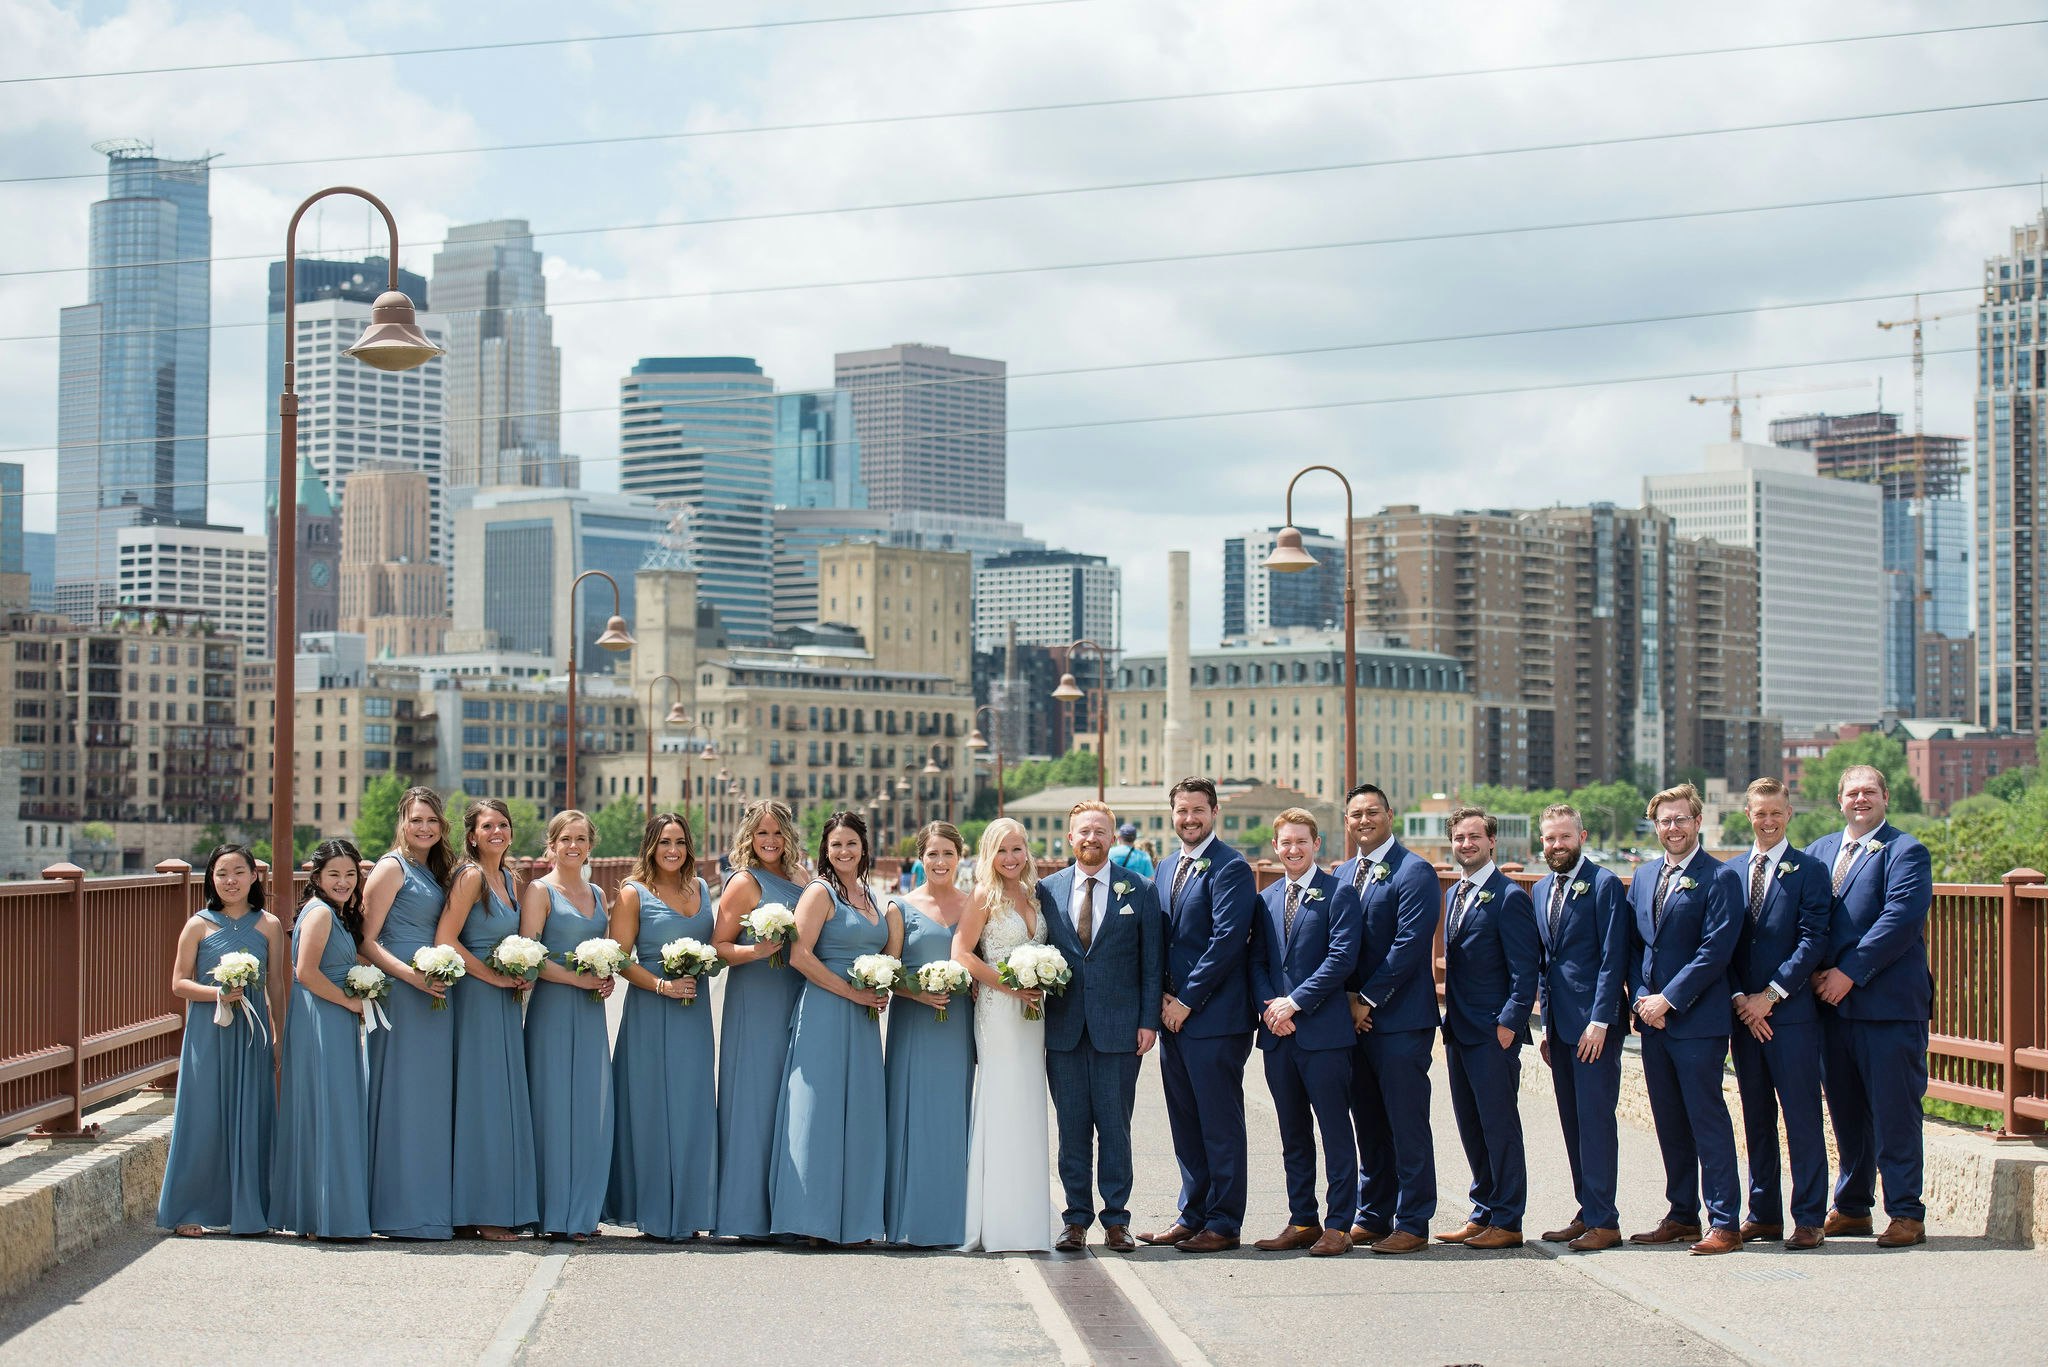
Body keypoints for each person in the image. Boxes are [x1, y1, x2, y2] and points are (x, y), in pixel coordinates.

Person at [1806, 763, 1934, 1249]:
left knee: (1895, 1111)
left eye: (1869, 792)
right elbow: (1804, 917)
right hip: (1829, 1009)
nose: (1860, 799)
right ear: (1839, 800)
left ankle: (1905, 1212)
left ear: (1885, 798)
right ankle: (1854, 1207)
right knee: (1846, 1111)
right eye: (1852, 793)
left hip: (1887, 1007)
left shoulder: (1906, 851)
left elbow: (1898, 921)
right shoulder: (1818, 852)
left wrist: (1848, 973)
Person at [769, 811, 902, 1244]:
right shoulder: (819, 892)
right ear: (826, 850)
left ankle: (858, 1221)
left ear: (864, 847)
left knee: (861, 1112)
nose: (843, 851)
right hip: (826, 1008)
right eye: (835, 845)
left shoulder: (871, 894)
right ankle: (813, 1220)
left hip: (863, 1017)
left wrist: (881, 983)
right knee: (818, 1111)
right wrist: (851, 992)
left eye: (851, 843)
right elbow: (800, 956)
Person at [1037, 801, 1163, 1252]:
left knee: (1115, 1128)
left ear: (1113, 838)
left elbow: (1153, 963)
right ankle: (1075, 1219)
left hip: (1120, 1030)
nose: (1091, 839)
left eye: (1099, 832)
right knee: (1071, 1130)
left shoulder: (1140, 889)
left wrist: (1149, 1021)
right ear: (1070, 838)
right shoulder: (1045, 891)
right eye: (1083, 832)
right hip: (1063, 1031)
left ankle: (1116, 1220)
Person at [1626, 783, 1745, 1256]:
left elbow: (1715, 951)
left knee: (1706, 1119)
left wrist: (1669, 1000)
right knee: (1669, 1121)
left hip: (1697, 1021)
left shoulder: (1720, 878)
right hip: (1652, 1023)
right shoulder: (1643, 876)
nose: (1672, 828)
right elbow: (1635, 947)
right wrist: (1640, 999)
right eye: (1664, 821)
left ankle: (1725, 1222)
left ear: (1697, 823)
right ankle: (1680, 1216)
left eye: (1680, 820)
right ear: (1654, 827)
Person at [1143, 777, 1256, 1254]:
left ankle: (1225, 1222)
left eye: (1198, 811)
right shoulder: (1166, 866)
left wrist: (1186, 999)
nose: (1189, 819)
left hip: (1214, 1018)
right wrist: (1162, 1003)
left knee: (1219, 1123)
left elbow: (1227, 941)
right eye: (1182, 811)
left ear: (1214, 814)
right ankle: (1192, 1213)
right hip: (1174, 1018)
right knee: (1185, 1122)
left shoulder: (1232, 868)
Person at [158, 844, 287, 1236]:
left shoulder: (269, 925)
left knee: (254, 1116)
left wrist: (281, 1035)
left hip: (253, 1037)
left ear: (253, 876)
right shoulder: (198, 924)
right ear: (210, 878)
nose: (230, 880)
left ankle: (251, 1210)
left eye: (238, 872)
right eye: (221, 873)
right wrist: (216, 993)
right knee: (203, 1117)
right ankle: (190, 1209)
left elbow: (276, 984)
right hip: (208, 1034)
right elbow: (179, 983)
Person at [1248, 809, 1360, 1257]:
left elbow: (1341, 959)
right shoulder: (1266, 898)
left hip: (1324, 1035)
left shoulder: (1339, 894)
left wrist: (1294, 1003)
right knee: (1292, 1134)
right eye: (1285, 843)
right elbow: (1256, 962)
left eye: (1301, 841)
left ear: (1317, 844)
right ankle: (1301, 1220)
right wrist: (1270, 1008)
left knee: (1335, 1131)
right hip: (1278, 1035)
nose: (1292, 849)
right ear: (1275, 847)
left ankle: (1339, 1224)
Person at [1334, 783, 1439, 1256]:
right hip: (1353, 1023)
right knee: (1369, 1123)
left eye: (1372, 812)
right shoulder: (1343, 873)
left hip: (1398, 1022)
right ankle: (1373, 1213)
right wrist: (1346, 1004)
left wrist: (1367, 1000)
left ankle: (1414, 1220)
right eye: (1355, 814)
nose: (1363, 820)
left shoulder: (1414, 871)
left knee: (1406, 1122)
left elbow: (1409, 945)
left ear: (1390, 815)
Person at [1729, 778, 1832, 1250]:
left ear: (1789, 814)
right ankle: (1763, 1212)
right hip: (1743, 1019)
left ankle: (1809, 1216)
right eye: (1759, 813)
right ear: (1746, 814)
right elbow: (1720, 946)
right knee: (1755, 1117)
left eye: (1776, 812)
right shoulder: (1729, 872)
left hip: (1788, 1018)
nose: (1767, 821)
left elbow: (1813, 941)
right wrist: (1740, 1001)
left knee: (1802, 1117)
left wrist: (1769, 997)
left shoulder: (1809, 870)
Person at [607, 811, 718, 1241]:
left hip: (694, 1011)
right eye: (664, 842)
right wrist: (661, 985)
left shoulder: (703, 889)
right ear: (650, 846)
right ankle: (653, 1213)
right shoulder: (634, 893)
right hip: (652, 1010)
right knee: (651, 1107)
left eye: (680, 842)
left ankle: (690, 1211)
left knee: (692, 1106)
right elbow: (618, 958)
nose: (673, 850)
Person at [1434, 807, 1540, 1251]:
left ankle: (1508, 1219)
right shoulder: (1456, 894)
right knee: (1471, 1127)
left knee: (1499, 1128)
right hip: (1459, 1030)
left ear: (1492, 841)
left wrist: (1508, 1025)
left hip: (1492, 1035)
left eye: (1474, 837)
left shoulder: (1509, 896)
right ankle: (1482, 1211)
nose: (1466, 844)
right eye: (1459, 838)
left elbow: (1525, 968)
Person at [1529, 804, 1630, 1252]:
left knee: (1595, 1122)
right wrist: (1547, 1026)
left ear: (1582, 837)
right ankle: (1586, 1210)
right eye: (1549, 839)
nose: (1556, 846)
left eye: (1564, 838)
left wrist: (1600, 1021)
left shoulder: (1604, 884)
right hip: (1561, 1028)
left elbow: (1613, 959)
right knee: (1572, 1123)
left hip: (1594, 1028)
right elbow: (1545, 964)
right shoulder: (1540, 890)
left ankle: (1605, 1220)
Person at [435, 797, 537, 1242]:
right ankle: (479, 1210)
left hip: (503, 998)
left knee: (501, 1099)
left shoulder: (511, 879)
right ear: (471, 836)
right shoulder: (471, 876)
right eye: (486, 826)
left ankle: (497, 1202)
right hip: (477, 997)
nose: (496, 832)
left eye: (503, 825)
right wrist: (492, 978)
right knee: (481, 1099)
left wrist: (520, 971)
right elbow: (446, 939)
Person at [360, 787, 458, 1240]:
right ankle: (396, 1208)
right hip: (403, 990)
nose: (425, 828)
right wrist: (411, 977)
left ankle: (430, 1206)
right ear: (402, 821)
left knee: (431, 1097)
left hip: (435, 988)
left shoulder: (433, 870)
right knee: (402, 1092)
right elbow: (367, 940)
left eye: (432, 821)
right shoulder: (390, 867)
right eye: (417, 820)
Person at [955, 816, 1055, 1252]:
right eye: (1002, 850)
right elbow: (960, 952)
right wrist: (1006, 983)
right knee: (1002, 1100)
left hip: (1034, 1015)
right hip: (998, 1012)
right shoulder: (984, 896)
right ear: (989, 854)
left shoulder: (1034, 894)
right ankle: (995, 1221)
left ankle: (1027, 1221)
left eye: (1018, 849)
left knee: (1029, 1103)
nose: (1011, 858)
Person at [711, 800, 809, 1239]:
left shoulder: (804, 879)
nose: (769, 841)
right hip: (755, 1000)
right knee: (753, 1101)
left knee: (791, 1103)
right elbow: (719, 947)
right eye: (761, 833)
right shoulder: (744, 883)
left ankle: (788, 1209)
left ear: (789, 836)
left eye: (776, 833)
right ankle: (747, 1215)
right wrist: (757, 951)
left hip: (797, 994)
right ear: (748, 837)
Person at [521, 810, 617, 1241]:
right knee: (553, 1107)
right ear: (552, 845)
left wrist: (607, 973)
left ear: (590, 845)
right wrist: (578, 978)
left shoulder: (598, 891)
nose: (573, 846)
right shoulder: (540, 892)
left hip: (590, 1009)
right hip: (553, 1010)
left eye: (580, 838)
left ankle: (582, 1210)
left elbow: (607, 948)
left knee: (589, 1108)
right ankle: (551, 1213)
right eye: (565, 839)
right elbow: (529, 956)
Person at [272, 839, 372, 1240]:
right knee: (328, 1108)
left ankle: (322, 1214)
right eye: (334, 874)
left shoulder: (337, 913)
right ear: (316, 877)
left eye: (350, 874)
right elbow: (305, 973)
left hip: (329, 1016)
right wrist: (351, 1004)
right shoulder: (319, 914)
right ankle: (324, 1216)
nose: (344, 881)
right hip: (322, 1018)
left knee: (331, 1109)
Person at [884, 822, 977, 1248]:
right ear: (921, 859)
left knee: (951, 1116)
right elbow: (887, 972)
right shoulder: (900, 907)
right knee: (909, 1114)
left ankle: (952, 1220)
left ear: (961, 857)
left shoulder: (975, 904)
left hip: (958, 1025)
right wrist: (917, 993)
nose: (940, 863)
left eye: (948, 854)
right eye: (933, 855)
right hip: (914, 1024)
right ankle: (908, 1220)